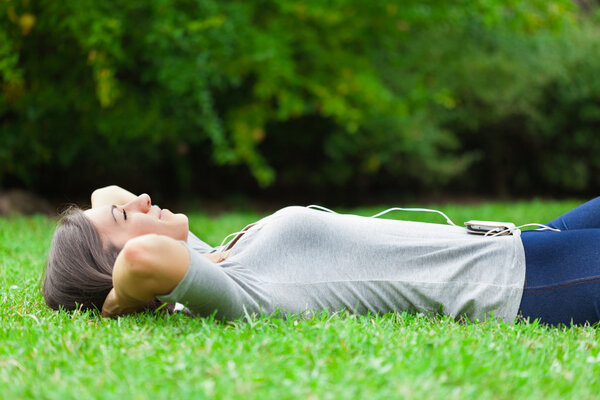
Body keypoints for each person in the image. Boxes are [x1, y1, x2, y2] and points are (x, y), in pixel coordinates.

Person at [43, 185, 600, 326]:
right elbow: (138, 261)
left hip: (528, 242)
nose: (140, 200)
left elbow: (107, 197)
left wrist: (103, 223)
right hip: (525, 284)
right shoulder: (230, 292)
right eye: (125, 219)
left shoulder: (215, 255)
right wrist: (115, 300)